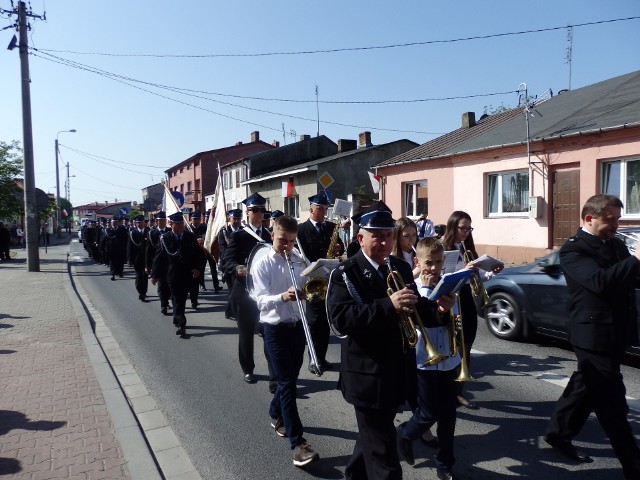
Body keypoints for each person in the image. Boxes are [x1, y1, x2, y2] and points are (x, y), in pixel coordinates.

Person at [327, 202, 453, 480]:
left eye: (388, 235)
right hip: (368, 378)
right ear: (361, 238)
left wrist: (438, 311)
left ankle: (354, 475)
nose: (385, 242)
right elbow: (341, 320)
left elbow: (415, 306)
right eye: (377, 236)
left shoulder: (398, 266)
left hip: (397, 372)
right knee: (385, 459)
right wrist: (388, 305)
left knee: (373, 437)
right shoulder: (345, 273)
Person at [544, 194, 640, 478]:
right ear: (590, 218)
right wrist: (635, 259)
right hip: (592, 335)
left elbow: (631, 276)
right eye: (610, 219)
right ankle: (634, 466)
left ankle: (558, 433)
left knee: (585, 386)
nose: (616, 224)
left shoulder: (615, 244)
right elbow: (599, 282)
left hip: (616, 331)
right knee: (613, 403)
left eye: (617, 219)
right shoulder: (574, 250)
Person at [252, 215, 320, 467]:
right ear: (273, 235)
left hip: (296, 326)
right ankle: (298, 443)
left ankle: (274, 412)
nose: (287, 246)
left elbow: (307, 288)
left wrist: (307, 290)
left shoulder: (298, 259)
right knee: (288, 383)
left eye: (291, 241)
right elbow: (259, 300)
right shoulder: (262, 264)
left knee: (288, 378)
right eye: (283, 240)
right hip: (274, 329)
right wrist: (282, 296)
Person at [396, 238, 461, 480]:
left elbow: (456, 321)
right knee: (428, 412)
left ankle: (445, 463)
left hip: (449, 361)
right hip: (424, 360)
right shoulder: (412, 289)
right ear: (417, 262)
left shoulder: (450, 286)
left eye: (438, 262)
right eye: (428, 263)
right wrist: (425, 293)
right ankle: (404, 433)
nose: (433, 268)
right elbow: (416, 321)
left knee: (448, 416)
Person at [442, 211, 502, 409]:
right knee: (453, 346)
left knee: (467, 343)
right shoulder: (442, 248)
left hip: (466, 298)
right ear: (453, 227)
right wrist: (465, 270)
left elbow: (475, 278)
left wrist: (489, 273)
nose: (467, 232)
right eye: (463, 228)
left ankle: (459, 390)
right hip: (450, 298)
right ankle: (448, 389)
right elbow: (443, 276)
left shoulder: (467, 247)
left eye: (469, 228)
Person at [222, 193, 276, 387]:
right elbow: (226, 261)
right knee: (246, 334)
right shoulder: (238, 235)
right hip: (244, 293)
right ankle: (248, 369)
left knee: (269, 333)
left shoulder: (271, 234)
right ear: (248, 212)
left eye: (263, 210)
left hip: (266, 293)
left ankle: (274, 377)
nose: (260, 214)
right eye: (256, 210)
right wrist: (237, 268)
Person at [296, 192, 344, 371]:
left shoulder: (332, 227)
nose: (324, 212)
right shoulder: (301, 229)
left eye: (326, 209)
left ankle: (322, 358)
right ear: (311, 209)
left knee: (325, 324)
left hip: (329, 280)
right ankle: (313, 359)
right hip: (312, 280)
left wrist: (339, 248)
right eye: (320, 209)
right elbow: (298, 255)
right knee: (314, 324)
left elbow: (339, 250)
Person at [150, 212, 204, 336]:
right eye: (177, 224)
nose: (180, 226)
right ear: (171, 224)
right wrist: (154, 275)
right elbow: (158, 258)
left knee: (181, 299)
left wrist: (197, 268)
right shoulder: (164, 238)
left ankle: (177, 317)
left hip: (187, 275)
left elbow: (199, 255)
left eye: (182, 224)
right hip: (172, 275)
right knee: (177, 298)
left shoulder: (190, 237)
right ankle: (181, 324)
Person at [219, 208, 243, 320]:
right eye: (235, 219)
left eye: (239, 219)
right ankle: (235, 313)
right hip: (228, 265)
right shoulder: (224, 232)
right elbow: (222, 249)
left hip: (240, 266)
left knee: (236, 291)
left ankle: (229, 311)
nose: (237, 221)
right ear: (230, 218)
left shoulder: (243, 231)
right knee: (232, 290)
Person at [146, 211, 172, 315]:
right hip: (157, 264)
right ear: (156, 221)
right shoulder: (152, 233)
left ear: (166, 221)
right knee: (161, 286)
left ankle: (166, 300)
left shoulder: (170, 232)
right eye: (160, 221)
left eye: (163, 220)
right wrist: (147, 265)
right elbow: (148, 251)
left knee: (169, 286)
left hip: (170, 264)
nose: (161, 222)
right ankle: (163, 305)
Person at [128, 215, 150, 302]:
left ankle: (143, 292)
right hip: (137, 259)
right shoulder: (133, 233)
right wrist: (129, 259)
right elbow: (129, 247)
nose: (139, 224)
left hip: (147, 259)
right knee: (138, 276)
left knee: (145, 276)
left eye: (141, 222)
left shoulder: (149, 232)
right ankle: (140, 291)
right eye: (137, 223)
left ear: (144, 223)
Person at [202, 210, 222, 293]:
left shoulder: (215, 227)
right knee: (201, 269)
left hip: (211, 251)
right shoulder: (202, 227)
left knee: (213, 269)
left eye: (209, 217)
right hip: (203, 251)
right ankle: (202, 285)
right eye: (207, 217)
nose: (208, 219)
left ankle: (216, 285)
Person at [105, 216, 128, 281]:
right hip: (112, 249)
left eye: (116, 222)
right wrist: (106, 249)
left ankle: (120, 272)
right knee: (112, 262)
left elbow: (125, 238)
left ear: (118, 222)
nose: (114, 223)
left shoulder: (122, 229)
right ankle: (113, 274)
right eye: (113, 222)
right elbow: (107, 239)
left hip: (120, 248)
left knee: (120, 262)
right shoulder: (108, 230)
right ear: (111, 223)